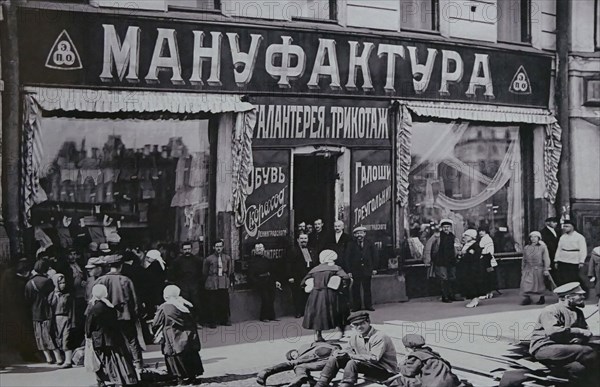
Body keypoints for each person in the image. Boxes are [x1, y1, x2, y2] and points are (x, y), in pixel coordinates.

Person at [529, 282, 599, 386]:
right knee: (587, 351)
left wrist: (581, 339)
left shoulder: (578, 312)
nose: (583, 297)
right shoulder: (551, 310)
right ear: (568, 297)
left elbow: (586, 331)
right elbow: (552, 331)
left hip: (567, 349)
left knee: (578, 368)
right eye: (579, 295)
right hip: (545, 348)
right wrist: (578, 331)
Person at [314, 311, 398, 387]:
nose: (359, 327)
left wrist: (350, 355)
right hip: (366, 366)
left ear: (368, 322)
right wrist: (339, 352)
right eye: (356, 325)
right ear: (352, 326)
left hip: (384, 369)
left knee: (352, 362)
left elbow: (374, 359)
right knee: (335, 358)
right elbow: (348, 349)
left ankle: (346, 384)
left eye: (362, 323)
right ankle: (322, 383)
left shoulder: (379, 336)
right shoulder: (355, 336)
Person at [94, 254, 144, 371]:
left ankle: (119, 366)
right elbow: (135, 301)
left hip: (108, 317)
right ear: (121, 266)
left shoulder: (100, 280)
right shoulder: (126, 280)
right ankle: (138, 365)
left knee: (113, 342)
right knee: (132, 340)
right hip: (126, 315)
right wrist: (136, 313)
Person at [86, 284, 138, 387]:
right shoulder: (109, 306)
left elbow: (89, 326)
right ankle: (124, 379)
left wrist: (88, 336)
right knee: (117, 359)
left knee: (102, 361)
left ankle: (107, 381)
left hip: (99, 339)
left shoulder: (94, 308)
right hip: (113, 337)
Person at [153, 285, 204, 385]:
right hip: (189, 337)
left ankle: (180, 378)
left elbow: (156, 323)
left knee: (175, 357)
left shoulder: (165, 307)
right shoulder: (185, 305)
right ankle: (192, 377)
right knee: (190, 355)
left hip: (173, 337)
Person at [302, 250, 350, 342]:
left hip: (315, 295)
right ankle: (341, 331)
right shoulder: (336, 268)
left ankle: (319, 335)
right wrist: (341, 288)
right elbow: (346, 278)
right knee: (339, 312)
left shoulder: (315, 269)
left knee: (318, 315)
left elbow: (303, 282)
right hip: (331, 294)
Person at [25, 259, 63, 365]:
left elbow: (27, 299)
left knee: (39, 335)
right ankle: (58, 358)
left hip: (35, 312)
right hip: (47, 311)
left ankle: (48, 358)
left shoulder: (29, 283)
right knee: (50, 334)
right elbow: (52, 296)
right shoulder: (47, 281)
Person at [256, 342, 342, 387]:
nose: (294, 356)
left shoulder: (303, 349)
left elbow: (322, 345)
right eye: (292, 357)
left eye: (293, 354)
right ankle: (302, 377)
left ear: (295, 350)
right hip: (326, 361)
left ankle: (266, 371)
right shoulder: (304, 357)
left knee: (295, 364)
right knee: (300, 366)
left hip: (328, 353)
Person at [389, 334, 461, 387]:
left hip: (435, 385)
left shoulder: (416, 356)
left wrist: (400, 365)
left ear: (408, 348)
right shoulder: (431, 353)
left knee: (402, 381)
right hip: (450, 382)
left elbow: (408, 372)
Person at [168, 242, 204, 324]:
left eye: (188, 249)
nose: (187, 251)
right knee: (184, 303)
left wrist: (198, 282)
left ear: (191, 249)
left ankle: (197, 322)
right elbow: (172, 273)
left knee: (196, 303)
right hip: (182, 285)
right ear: (182, 250)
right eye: (185, 249)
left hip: (194, 284)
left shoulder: (197, 260)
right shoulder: (177, 261)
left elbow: (201, 272)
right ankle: (186, 322)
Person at [344, 226, 378, 311]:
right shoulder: (351, 244)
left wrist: (374, 268)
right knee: (356, 289)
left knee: (367, 288)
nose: (359, 235)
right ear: (355, 235)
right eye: (357, 233)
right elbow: (347, 258)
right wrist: (349, 271)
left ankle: (368, 305)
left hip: (367, 269)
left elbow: (375, 256)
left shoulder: (369, 243)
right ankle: (357, 306)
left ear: (364, 234)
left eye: (361, 233)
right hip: (356, 270)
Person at [248, 243, 282, 322]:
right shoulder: (252, 261)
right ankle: (264, 317)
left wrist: (275, 281)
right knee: (265, 299)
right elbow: (251, 274)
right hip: (260, 282)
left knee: (271, 298)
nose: (259, 249)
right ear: (255, 250)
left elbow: (272, 271)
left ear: (264, 249)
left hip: (269, 281)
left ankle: (272, 316)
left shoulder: (267, 259)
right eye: (258, 248)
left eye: (261, 248)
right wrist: (256, 282)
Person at [203, 240, 233, 328]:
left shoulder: (227, 258)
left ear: (222, 247)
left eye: (220, 246)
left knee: (224, 301)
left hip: (223, 281)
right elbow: (205, 272)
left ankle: (224, 320)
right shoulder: (209, 259)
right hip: (212, 281)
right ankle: (212, 321)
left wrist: (227, 280)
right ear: (214, 247)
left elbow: (230, 270)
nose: (218, 248)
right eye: (217, 246)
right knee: (212, 302)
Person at [287, 233, 318, 318]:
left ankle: (306, 311)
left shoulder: (311, 250)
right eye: (301, 239)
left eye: (305, 238)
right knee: (297, 294)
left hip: (309, 275)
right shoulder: (293, 250)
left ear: (307, 240)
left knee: (307, 293)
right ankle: (298, 312)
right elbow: (288, 264)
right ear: (298, 240)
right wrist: (290, 276)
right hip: (297, 276)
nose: (303, 240)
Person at [49, 273, 75, 368]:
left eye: (64, 282)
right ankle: (59, 358)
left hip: (65, 318)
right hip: (55, 319)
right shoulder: (51, 295)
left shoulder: (68, 295)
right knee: (57, 338)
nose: (63, 285)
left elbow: (72, 309)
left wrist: (72, 321)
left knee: (66, 339)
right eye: (60, 283)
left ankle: (68, 361)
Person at [457, 229, 488, 308]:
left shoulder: (475, 245)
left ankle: (474, 299)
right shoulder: (468, 245)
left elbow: (474, 257)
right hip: (468, 268)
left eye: (466, 236)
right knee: (469, 283)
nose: (464, 237)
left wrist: (465, 254)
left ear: (471, 237)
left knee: (472, 284)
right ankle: (473, 299)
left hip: (472, 269)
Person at [554, 220, 588, 291]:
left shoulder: (579, 237)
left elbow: (583, 250)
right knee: (563, 278)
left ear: (572, 227)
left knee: (573, 277)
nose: (565, 228)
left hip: (574, 260)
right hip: (562, 259)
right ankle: (566, 293)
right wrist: (556, 260)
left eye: (567, 226)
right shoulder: (563, 237)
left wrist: (581, 261)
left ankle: (582, 291)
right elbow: (559, 249)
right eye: (564, 226)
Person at [520, 231, 551, 305]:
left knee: (539, 284)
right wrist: (522, 268)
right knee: (526, 284)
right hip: (528, 268)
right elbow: (524, 259)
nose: (533, 239)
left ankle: (541, 298)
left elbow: (546, 258)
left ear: (539, 238)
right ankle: (527, 298)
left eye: (535, 237)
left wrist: (546, 268)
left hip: (538, 268)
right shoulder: (526, 247)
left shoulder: (542, 247)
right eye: (531, 237)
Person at [431, 220, 459, 303]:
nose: (446, 229)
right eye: (444, 227)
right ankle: (445, 297)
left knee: (452, 278)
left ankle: (452, 295)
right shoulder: (437, 236)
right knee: (444, 279)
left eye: (448, 227)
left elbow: (456, 248)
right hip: (441, 260)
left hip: (451, 260)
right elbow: (430, 248)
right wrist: (431, 259)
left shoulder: (453, 236)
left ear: (450, 228)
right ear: (441, 228)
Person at [478, 226, 497, 300]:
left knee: (486, 277)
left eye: (482, 231)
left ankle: (487, 292)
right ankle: (489, 292)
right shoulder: (486, 238)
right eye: (479, 231)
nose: (480, 233)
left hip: (486, 261)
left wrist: (481, 255)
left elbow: (488, 251)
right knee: (489, 276)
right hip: (489, 261)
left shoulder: (486, 239)